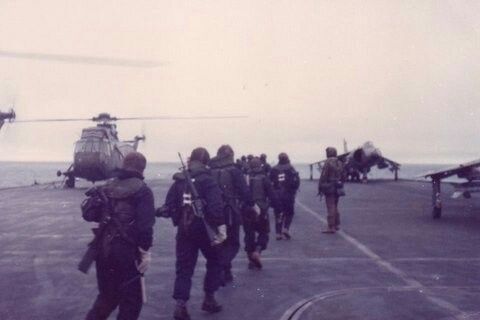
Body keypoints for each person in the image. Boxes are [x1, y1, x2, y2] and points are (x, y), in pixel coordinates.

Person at [82, 151, 156, 320]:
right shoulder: (143, 191)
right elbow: (145, 227)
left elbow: (91, 215)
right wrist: (145, 252)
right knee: (131, 302)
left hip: (102, 251)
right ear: (142, 169)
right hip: (126, 254)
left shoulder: (106, 186)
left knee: (107, 297)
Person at [163, 147, 226, 320]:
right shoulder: (209, 181)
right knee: (215, 261)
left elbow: (169, 206)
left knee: (184, 268)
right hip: (206, 232)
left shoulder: (179, 180)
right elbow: (215, 208)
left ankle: (181, 305)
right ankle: (209, 299)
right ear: (206, 162)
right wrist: (220, 228)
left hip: (184, 231)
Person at [209, 145, 253, 284]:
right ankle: (222, 268)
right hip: (230, 212)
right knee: (233, 243)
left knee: (220, 242)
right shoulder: (235, 171)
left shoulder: (210, 171)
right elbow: (245, 192)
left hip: (213, 212)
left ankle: (226, 272)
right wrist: (251, 205)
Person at [243, 157, 279, 269]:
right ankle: (258, 251)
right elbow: (272, 195)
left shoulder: (244, 178)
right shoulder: (264, 179)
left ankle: (251, 259)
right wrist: (277, 206)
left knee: (249, 234)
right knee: (263, 232)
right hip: (261, 209)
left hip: (247, 209)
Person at [270, 152, 300, 240]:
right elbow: (296, 181)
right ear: (287, 158)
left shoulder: (274, 169)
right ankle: (286, 228)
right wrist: (294, 189)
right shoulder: (291, 168)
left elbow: (269, 182)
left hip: (277, 194)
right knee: (289, 213)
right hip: (288, 194)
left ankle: (278, 233)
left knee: (278, 213)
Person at [318, 147, 345, 234]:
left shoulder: (328, 162)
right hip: (338, 186)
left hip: (329, 187)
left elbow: (324, 176)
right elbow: (344, 175)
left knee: (330, 206)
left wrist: (321, 187)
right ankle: (337, 224)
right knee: (335, 206)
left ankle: (331, 227)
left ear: (329, 153)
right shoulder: (340, 162)